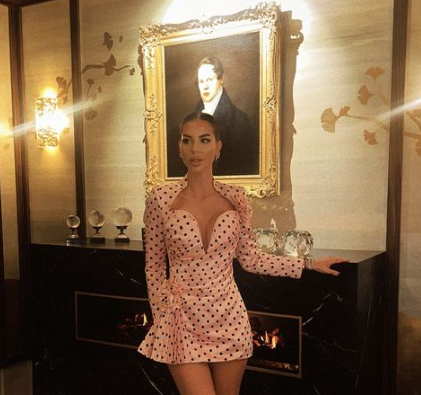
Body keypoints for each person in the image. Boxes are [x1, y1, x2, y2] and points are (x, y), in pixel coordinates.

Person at [138, 112, 347, 395]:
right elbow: (153, 266)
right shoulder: (161, 198)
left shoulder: (236, 197)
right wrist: (161, 312)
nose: (195, 149)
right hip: (180, 320)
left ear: (218, 146)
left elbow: (251, 258)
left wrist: (308, 264)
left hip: (229, 318)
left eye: (204, 140)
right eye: (187, 140)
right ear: (179, 147)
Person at [194, 57, 257, 176]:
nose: (205, 86)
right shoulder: (190, 120)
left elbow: (243, 172)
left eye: (210, 80)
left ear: (221, 79)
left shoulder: (241, 122)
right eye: (201, 81)